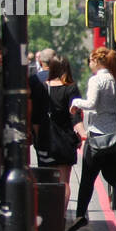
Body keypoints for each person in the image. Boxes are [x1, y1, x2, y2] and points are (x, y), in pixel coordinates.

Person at [68, 47, 116, 231]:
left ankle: (81, 215)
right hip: (114, 136)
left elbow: (91, 104)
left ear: (97, 62)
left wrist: (75, 103)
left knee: (87, 179)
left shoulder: (96, 80)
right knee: (112, 175)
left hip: (97, 137)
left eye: (90, 61)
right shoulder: (115, 79)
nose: (89, 64)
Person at [37, 56, 82, 212]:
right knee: (64, 182)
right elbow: (75, 115)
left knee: (47, 180)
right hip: (65, 140)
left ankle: (48, 213)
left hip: (46, 139)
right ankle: (60, 215)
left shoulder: (43, 87)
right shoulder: (71, 88)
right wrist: (82, 133)